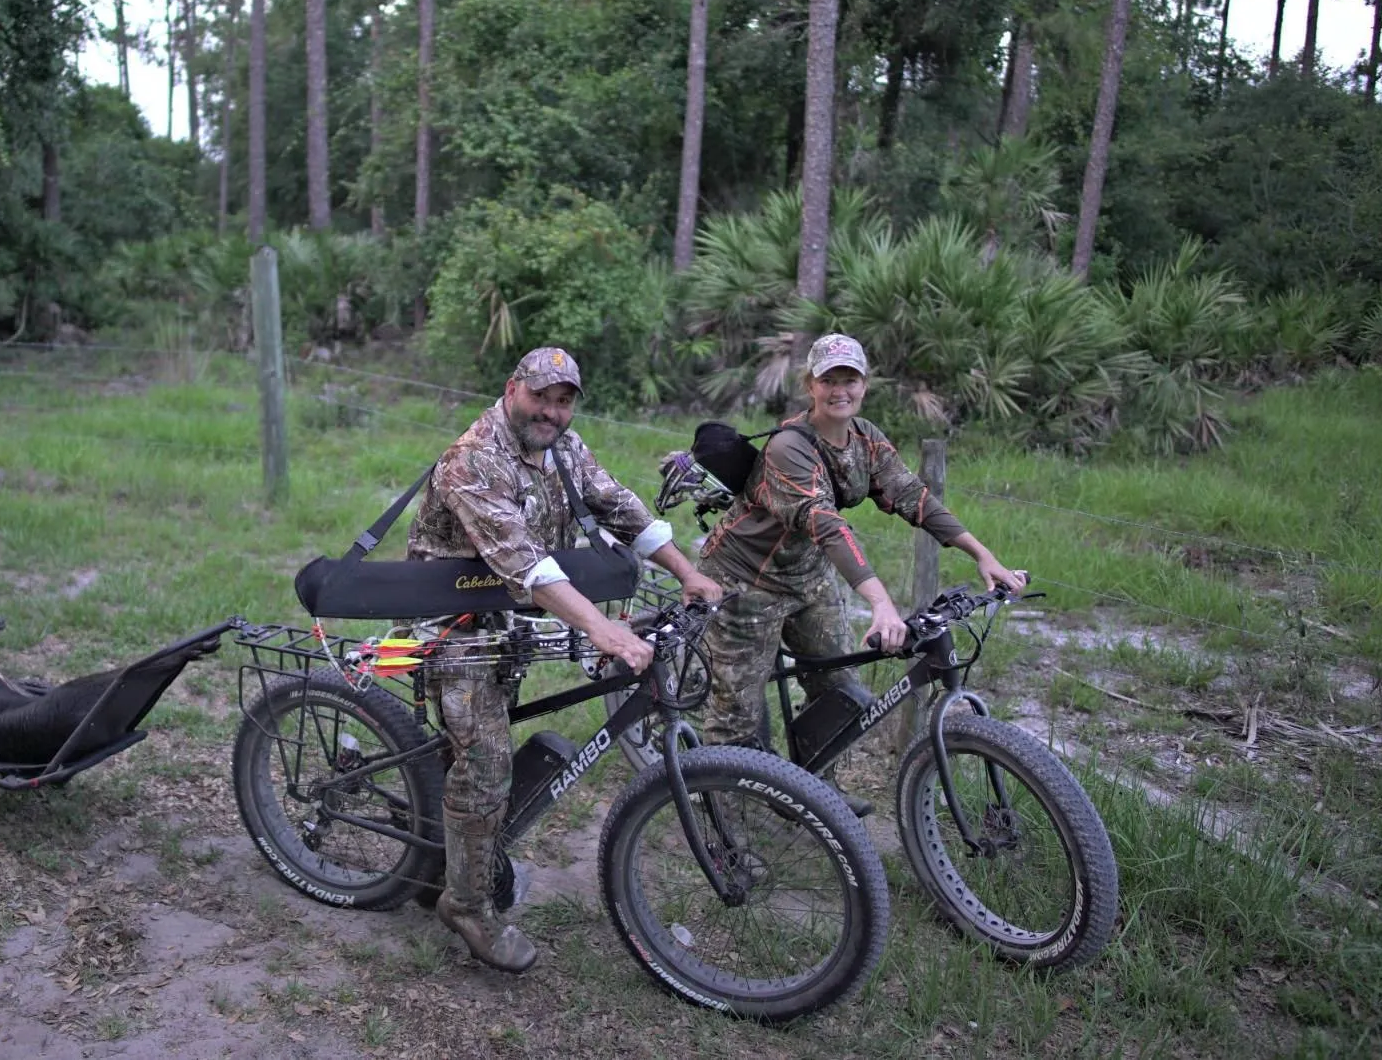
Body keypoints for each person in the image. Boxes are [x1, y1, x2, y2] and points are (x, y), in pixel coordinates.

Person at [406, 345, 723, 974]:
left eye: (564, 399)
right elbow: (527, 564)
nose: (552, 411)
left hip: (511, 612)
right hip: (452, 622)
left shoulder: (564, 449)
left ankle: (450, 847)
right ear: (512, 388)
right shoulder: (472, 460)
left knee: (477, 744)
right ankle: (466, 904)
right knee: (488, 759)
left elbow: (621, 505)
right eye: (541, 396)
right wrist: (603, 629)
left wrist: (688, 572)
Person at [694, 333, 1026, 815]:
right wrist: (880, 602)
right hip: (745, 580)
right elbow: (825, 524)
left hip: (808, 578)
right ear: (811, 385)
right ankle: (723, 822)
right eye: (829, 380)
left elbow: (912, 496)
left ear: (864, 385)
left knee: (840, 690)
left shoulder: (865, 440)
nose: (839, 390)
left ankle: (811, 791)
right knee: (737, 714)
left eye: (849, 379)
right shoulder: (789, 446)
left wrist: (982, 554)